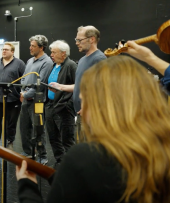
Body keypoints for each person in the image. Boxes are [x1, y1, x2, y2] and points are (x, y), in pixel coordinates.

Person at [16, 56, 170, 203]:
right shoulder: (162, 149)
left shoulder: (87, 157)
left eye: (85, 101)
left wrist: (27, 186)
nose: (83, 108)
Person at [49, 26, 106, 142]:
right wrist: (61, 87)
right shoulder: (83, 60)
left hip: (92, 115)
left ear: (92, 39)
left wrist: (89, 106)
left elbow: (102, 88)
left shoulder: (99, 59)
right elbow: (81, 86)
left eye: (80, 40)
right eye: (76, 40)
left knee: (91, 151)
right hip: (81, 113)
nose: (76, 43)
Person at [19, 35, 53, 164]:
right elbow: (23, 78)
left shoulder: (47, 62)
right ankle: (28, 152)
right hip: (26, 98)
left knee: (38, 129)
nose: (30, 48)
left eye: (33, 46)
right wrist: (23, 92)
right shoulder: (29, 61)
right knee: (24, 127)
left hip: (37, 101)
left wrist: (25, 94)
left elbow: (41, 83)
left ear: (41, 47)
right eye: (30, 45)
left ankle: (42, 156)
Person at [44, 40, 77, 166]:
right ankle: (60, 161)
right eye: (51, 52)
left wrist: (68, 104)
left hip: (64, 107)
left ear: (63, 54)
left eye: (54, 52)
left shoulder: (71, 65)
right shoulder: (54, 65)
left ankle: (71, 165)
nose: (51, 55)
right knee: (53, 137)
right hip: (50, 106)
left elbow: (78, 86)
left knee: (67, 139)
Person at [0, 42, 26, 149]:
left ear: (12, 51)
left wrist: (22, 92)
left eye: (6, 49)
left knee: (11, 123)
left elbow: (24, 79)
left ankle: (10, 141)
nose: (3, 51)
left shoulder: (19, 64)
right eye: (2, 49)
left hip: (13, 99)